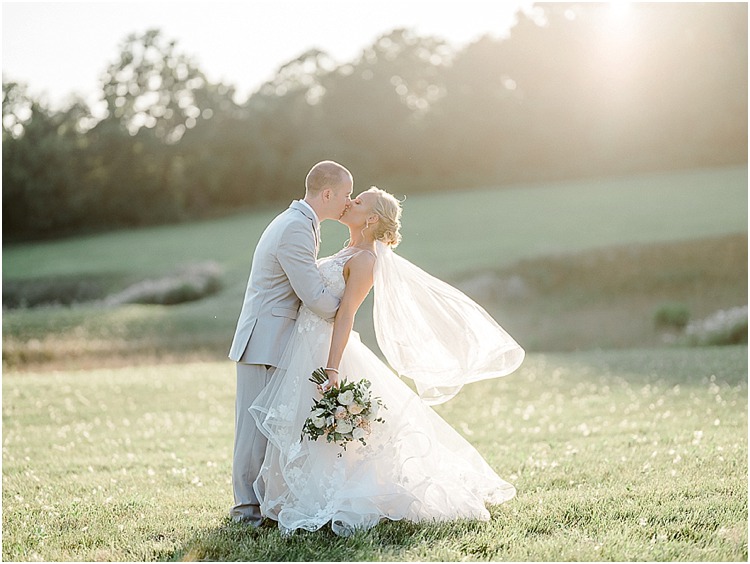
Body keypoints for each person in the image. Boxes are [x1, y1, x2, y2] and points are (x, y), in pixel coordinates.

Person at [249, 186, 525, 536]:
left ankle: (339, 496)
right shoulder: (348, 249)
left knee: (334, 428)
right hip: (305, 344)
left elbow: (346, 314)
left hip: (326, 350)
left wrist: (332, 368)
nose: (350, 202)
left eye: (358, 201)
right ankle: (306, 493)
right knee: (312, 427)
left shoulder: (366, 260)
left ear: (372, 218)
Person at [228, 160, 353, 525]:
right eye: (345, 194)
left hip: (276, 339)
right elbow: (314, 295)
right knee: (254, 434)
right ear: (327, 193)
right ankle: (246, 513)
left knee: (268, 431)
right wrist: (347, 311)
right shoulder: (296, 228)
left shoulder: (300, 222)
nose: (348, 201)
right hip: (264, 341)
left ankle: (263, 506)